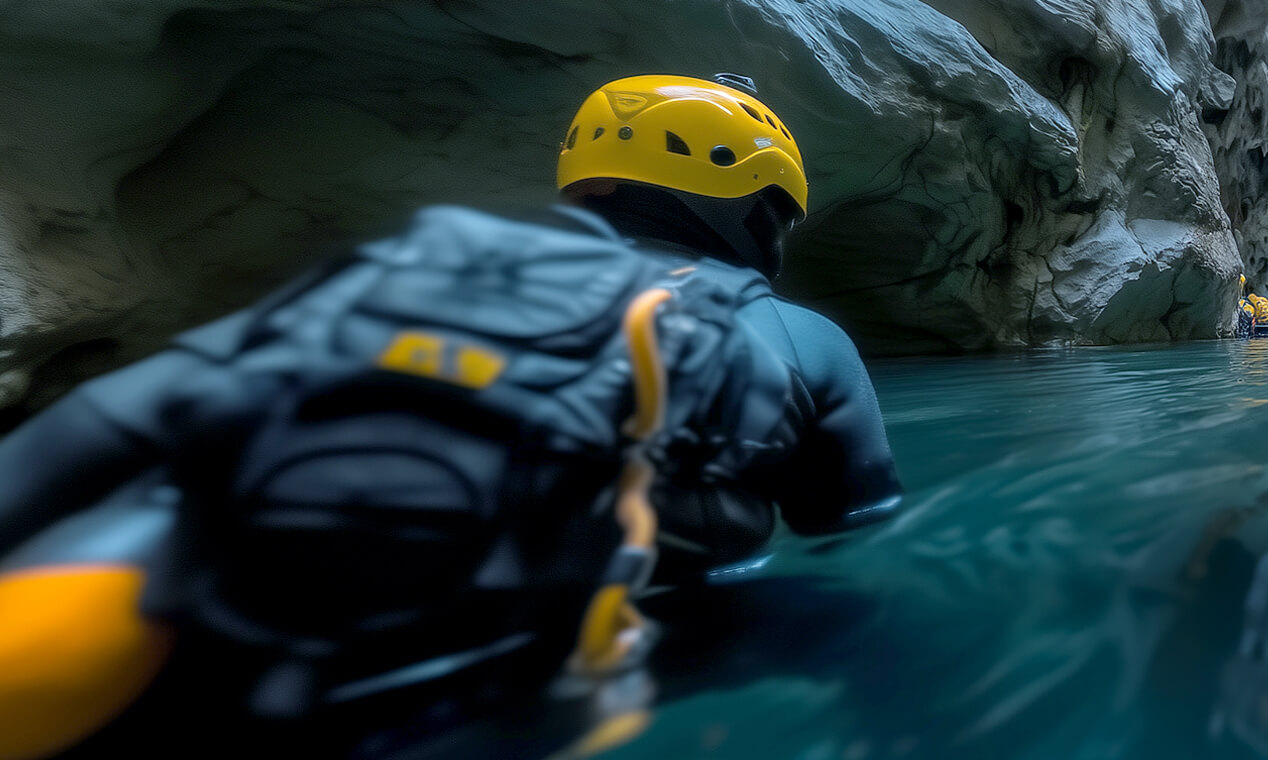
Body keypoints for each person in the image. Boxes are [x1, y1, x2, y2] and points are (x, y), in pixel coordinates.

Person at [0, 73, 902, 757]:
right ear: (753, 206)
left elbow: (117, 421)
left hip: (220, 591)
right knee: (842, 613)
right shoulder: (799, 335)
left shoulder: (412, 263)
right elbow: (849, 522)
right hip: (509, 655)